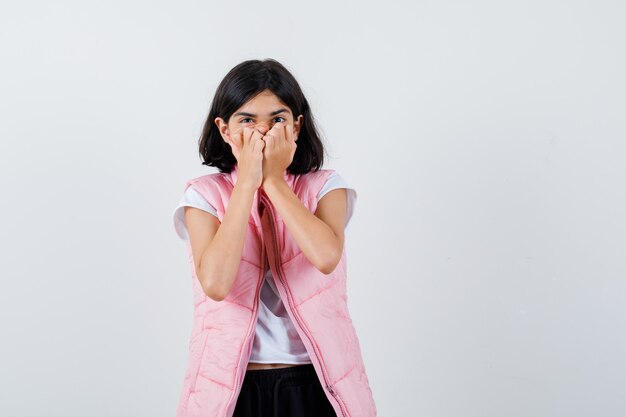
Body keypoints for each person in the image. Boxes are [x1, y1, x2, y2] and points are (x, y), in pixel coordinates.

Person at [172, 59, 377, 417]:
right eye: (247, 120)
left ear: (297, 126)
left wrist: (274, 181)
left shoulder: (325, 186)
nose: (262, 132)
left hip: (315, 383)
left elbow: (326, 256)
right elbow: (217, 283)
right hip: (232, 390)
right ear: (224, 129)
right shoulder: (203, 196)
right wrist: (247, 183)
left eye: (277, 119)